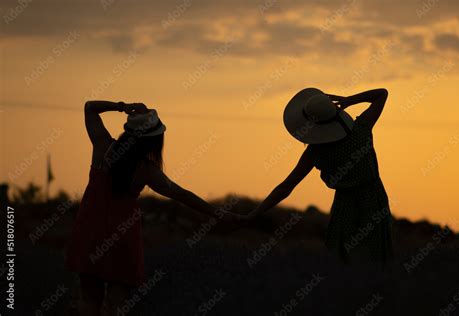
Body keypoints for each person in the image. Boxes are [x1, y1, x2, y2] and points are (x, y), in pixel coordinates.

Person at [65, 101, 238, 316]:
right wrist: (221, 214)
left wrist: (122, 106)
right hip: (122, 236)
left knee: (89, 298)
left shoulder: (102, 146)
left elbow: (90, 107)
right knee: (117, 303)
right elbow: (182, 195)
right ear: (152, 142)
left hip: (89, 228)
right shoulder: (147, 171)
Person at [248, 88, 393, 265]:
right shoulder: (361, 129)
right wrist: (349, 100)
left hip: (344, 206)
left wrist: (254, 214)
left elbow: (286, 187)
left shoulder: (315, 152)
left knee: (343, 262)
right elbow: (381, 94)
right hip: (375, 200)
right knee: (375, 258)